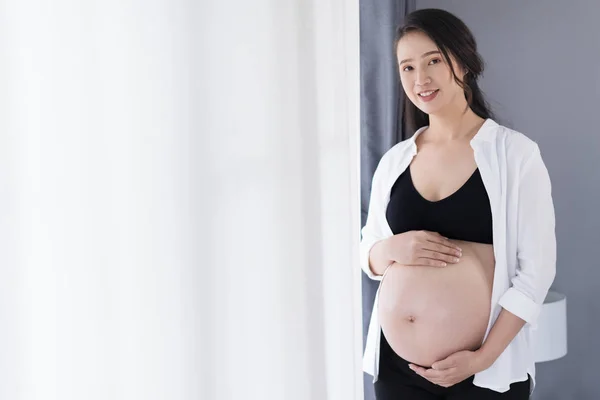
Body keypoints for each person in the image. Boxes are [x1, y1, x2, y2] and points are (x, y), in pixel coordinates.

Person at [360, 8, 556, 400]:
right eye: (407, 68)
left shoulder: (514, 154)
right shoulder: (396, 160)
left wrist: (482, 358)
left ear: (463, 62)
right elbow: (369, 255)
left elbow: (535, 273)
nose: (421, 79)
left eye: (433, 60)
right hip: (399, 370)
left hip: (484, 369)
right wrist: (392, 248)